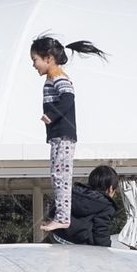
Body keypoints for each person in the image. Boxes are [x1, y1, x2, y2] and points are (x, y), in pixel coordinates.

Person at [31, 34, 108, 232]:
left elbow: (68, 98)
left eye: (35, 60)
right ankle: (60, 215)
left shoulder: (58, 76)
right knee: (57, 174)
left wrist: (51, 115)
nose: (34, 65)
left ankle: (63, 217)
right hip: (58, 135)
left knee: (61, 175)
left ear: (48, 58)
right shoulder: (52, 76)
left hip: (63, 134)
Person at [51, 165, 120, 247]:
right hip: (79, 247)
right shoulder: (106, 205)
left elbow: (55, 210)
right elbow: (101, 234)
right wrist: (107, 251)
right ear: (111, 189)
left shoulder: (73, 192)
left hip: (56, 238)